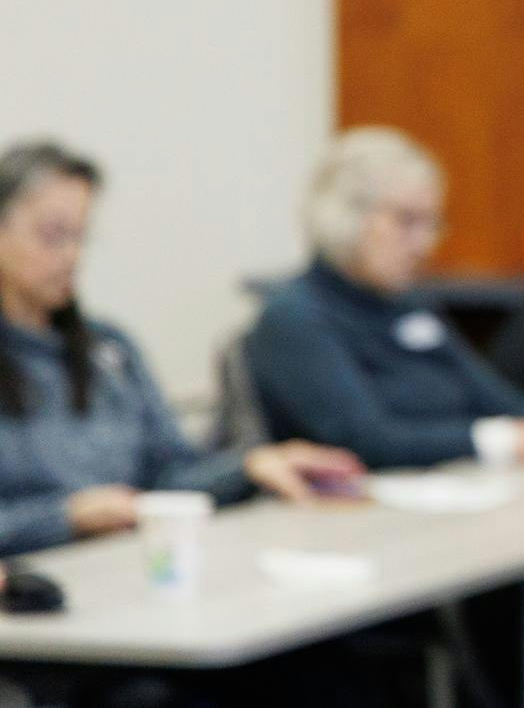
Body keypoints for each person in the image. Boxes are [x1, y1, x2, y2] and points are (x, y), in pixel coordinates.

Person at [245, 126, 524, 705]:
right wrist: (506, 443)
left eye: (431, 223)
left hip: (456, 521)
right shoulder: (294, 319)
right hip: (363, 544)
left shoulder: (409, 308)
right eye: (407, 221)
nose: (424, 243)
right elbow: (368, 439)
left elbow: (496, 399)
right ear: (346, 216)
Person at [0, 141, 361, 559]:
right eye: (53, 236)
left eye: (81, 237)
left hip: (135, 566)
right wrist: (65, 517)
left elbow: (171, 476)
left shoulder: (110, 349)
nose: (71, 256)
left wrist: (250, 466)